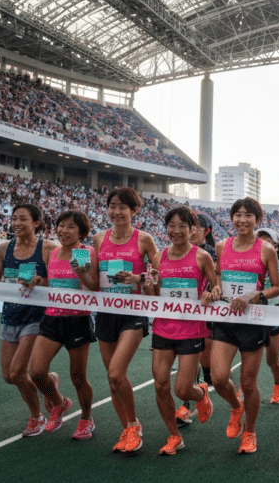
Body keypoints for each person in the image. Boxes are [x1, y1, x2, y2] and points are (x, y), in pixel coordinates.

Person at [201, 197, 279, 455]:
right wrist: (213, 289)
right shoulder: (222, 246)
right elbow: (218, 278)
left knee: (248, 383)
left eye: (248, 215)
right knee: (218, 377)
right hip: (226, 320)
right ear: (231, 218)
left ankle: (250, 431)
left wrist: (252, 295)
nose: (242, 220)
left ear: (257, 220)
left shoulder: (265, 249)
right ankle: (236, 407)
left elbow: (277, 287)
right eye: (238, 214)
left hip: (253, 321)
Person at [145, 206, 216, 456]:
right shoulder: (159, 257)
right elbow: (154, 295)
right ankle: (174, 435)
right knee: (161, 386)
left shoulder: (201, 257)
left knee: (182, 390)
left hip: (191, 329)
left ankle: (201, 392)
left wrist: (210, 293)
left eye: (182, 226)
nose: (176, 231)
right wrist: (149, 283)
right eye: (171, 226)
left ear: (192, 230)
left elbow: (217, 289)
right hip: (163, 328)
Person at [93, 187, 160, 453]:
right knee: (113, 381)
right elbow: (91, 282)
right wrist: (80, 273)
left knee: (116, 373)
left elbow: (157, 278)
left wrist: (138, 279)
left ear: (134, 210)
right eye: (112, 206)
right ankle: (127, 430)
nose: (116, 212)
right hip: (106, 312)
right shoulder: (99, 239)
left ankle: (133, 424)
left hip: (133, 312)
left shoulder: (144, 240)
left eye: (122, 207)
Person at [0, 203, 59, 437]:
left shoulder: (48, 248)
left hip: (37, 316)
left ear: (36, 223)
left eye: (23, 219)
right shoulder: (3, 249)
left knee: (19, 373)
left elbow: (60, 283)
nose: (17, 224)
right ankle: (50, 381)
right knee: (9, 377)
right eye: (14, 219)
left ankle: (37, 417)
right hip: (10, 315)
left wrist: (39, 282)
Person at [28, 210, 99, 439]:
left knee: (78, 377)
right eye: (61, 226)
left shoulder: (83, 252)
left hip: (77, 319)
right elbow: (52, 282)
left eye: (70, 227)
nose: (63, 231)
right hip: (52, 317)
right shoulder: (54, 253)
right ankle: (59, 402)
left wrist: (82, 274)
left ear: (81, 232)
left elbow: (93, 287)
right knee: (36, 372)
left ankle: (86, 419)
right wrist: (39, 282)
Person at [175, 212, 217, 426]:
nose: (189, 230)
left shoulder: (211, 253)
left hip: (208, 315)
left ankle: (206, 385)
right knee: (188, 361)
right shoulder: (175, 252)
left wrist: (210, 293)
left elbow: (217, 281)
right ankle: (185, 406)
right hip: (183, 316)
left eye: (195, 226)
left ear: (205, 231)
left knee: (205, 361)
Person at [256, 227, 279, 405]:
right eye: (261, 241)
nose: (264, 245)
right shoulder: (252, 261)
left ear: (276, 245)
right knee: (249, 356)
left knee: (272, 360)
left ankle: (277, 385)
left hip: (275, 316)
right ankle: (243, 388)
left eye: (268, 241)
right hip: (254, 316)